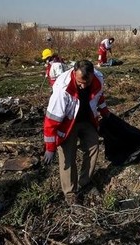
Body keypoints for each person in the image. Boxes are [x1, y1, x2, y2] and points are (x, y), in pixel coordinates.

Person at [43, 60, 110, 205]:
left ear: (92, 75)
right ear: (74, 73)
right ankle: (70, 192)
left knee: (93, 146)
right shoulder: (62, 89)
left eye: (87, 82)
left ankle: (84, 182)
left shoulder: (98, 79)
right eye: (80, 82)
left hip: (86, 119)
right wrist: (50, 147)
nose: (83, 86)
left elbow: (99, 97)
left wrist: (105, 113)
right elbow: (51, 121)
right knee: (68, 156)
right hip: (67, 124)